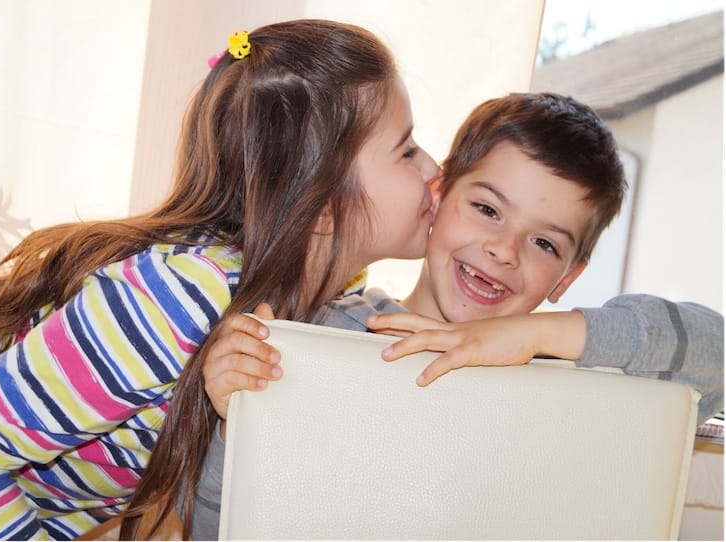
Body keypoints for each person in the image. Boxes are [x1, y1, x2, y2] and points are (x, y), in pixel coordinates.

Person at [0, 19, 441, 540]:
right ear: (323, 205)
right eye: (407, 150)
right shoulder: (183, 298)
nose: (433, 168)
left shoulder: (324, 301)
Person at [192, 92, 724, 539]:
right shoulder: (323, 334)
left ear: (567, 277)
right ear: (437, 196)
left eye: (544, 242)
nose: (504, 250)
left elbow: (716, 354)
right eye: (488, 209)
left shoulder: (573, 376)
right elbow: (216, 530)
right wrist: (236, 422)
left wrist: (532, 335)